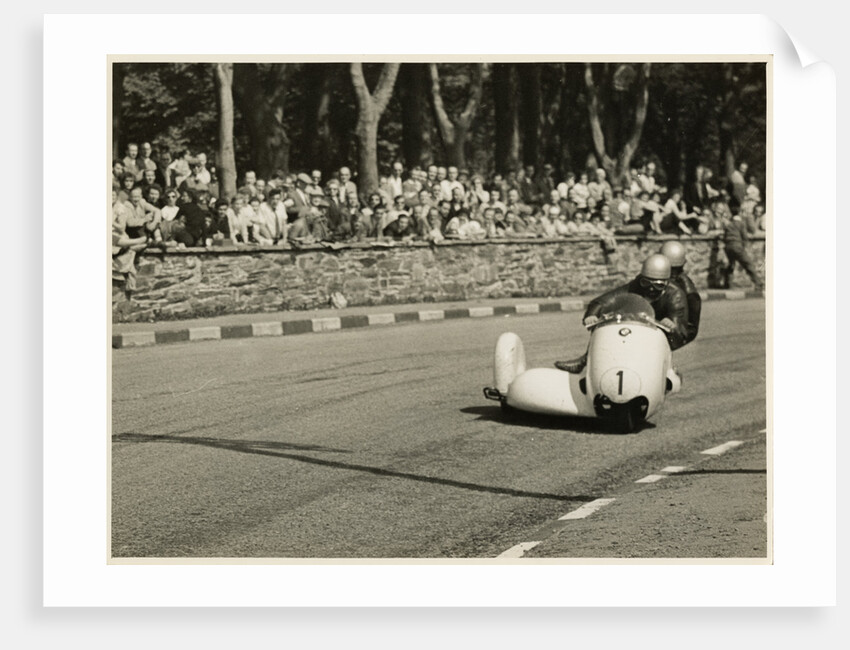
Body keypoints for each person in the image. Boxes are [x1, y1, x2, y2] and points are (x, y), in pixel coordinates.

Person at [555, 254, 690, 373]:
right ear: (641, 279)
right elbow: (606, 300)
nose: (651, 288)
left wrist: (672, 325)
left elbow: (680, 327)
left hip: (659, 335)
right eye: (646, 282)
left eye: (658, 285)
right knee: (607, 324)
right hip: (637, 326)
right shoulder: (635, 286)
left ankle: (666, 372)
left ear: (666, 283)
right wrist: (593, 314)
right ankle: (587, 360)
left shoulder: (675, 295)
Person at [660, 240, 701, 344]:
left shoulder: (688, 291)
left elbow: (691, 328)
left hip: (668, 335)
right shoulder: (655, 280)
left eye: (674, 270)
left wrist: (675, 327)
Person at [720, 210, 764, 291]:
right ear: (739, 214)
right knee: (748, 264)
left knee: (731, 264)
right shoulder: (741, 223)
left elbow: (724, 237)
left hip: (728, 247)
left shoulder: (728, 224)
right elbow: (744, 237)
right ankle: (758, 283)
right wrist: (744, 247)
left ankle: (727, 283)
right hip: (737, 246)